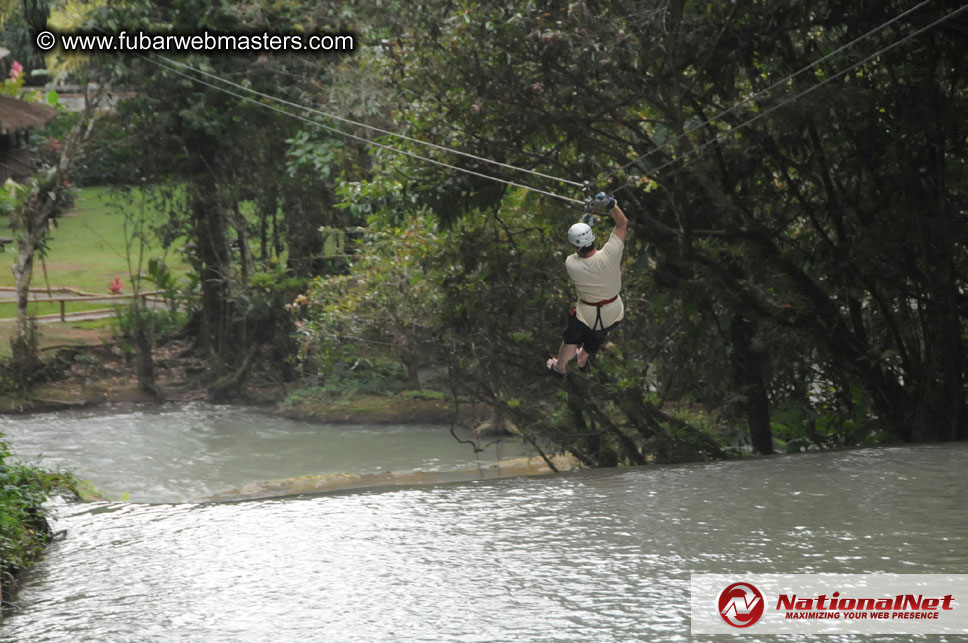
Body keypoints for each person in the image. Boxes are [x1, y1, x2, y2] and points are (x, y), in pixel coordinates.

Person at [546, 195, 628, 377]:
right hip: (613, 312)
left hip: (587, 314)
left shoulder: (571, 263)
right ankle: (583, 357)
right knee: (598, 332)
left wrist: (586, 227)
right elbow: (622, 224)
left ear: (574, 247)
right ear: (593, 238)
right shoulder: (611, 254)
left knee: (571, 338)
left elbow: (581, 254)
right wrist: (611, 205)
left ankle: (560, 367)